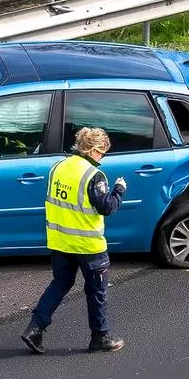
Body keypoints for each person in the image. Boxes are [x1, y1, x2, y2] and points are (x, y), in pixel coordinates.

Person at [21, 127, 127, 354]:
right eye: (102, 153)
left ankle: (35, 329)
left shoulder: (58, 167)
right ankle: (100, 336)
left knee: (60, 283)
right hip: (88, 246)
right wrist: (119, 189)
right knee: (96, 290)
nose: (102, 158)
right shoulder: (93, 175)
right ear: (94, 150)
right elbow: (106, 207)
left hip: (60, 241)